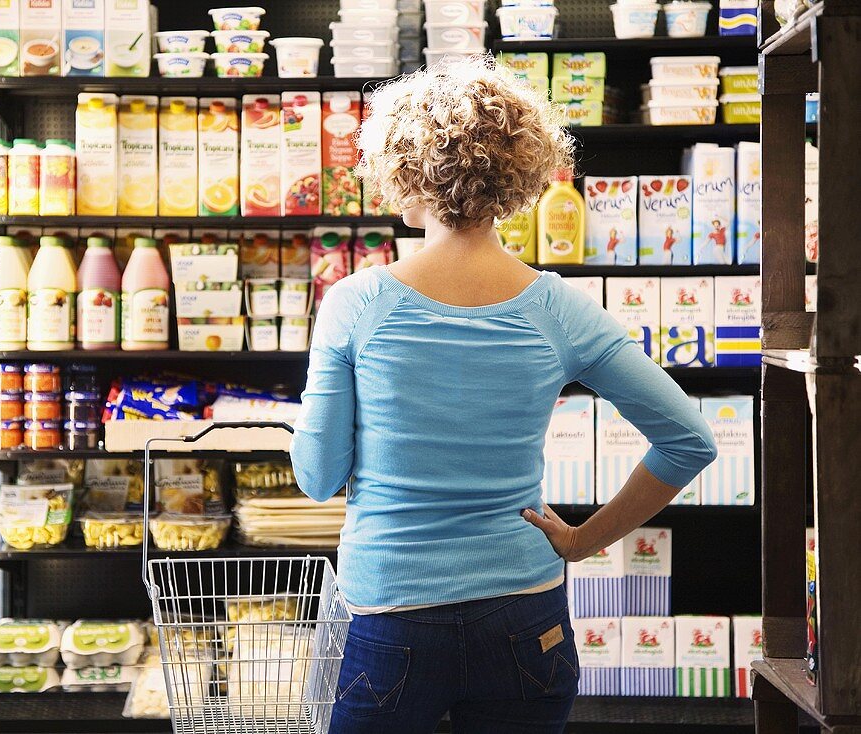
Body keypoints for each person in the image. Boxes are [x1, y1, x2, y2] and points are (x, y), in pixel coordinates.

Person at [290, 57, 718, 734]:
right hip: (526, 620)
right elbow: (689, 440)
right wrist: (580, 541)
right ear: (516, 173)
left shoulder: (356, 303)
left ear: (405, 170)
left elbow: (316, 479)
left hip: (394, 615)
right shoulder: (559, 307)